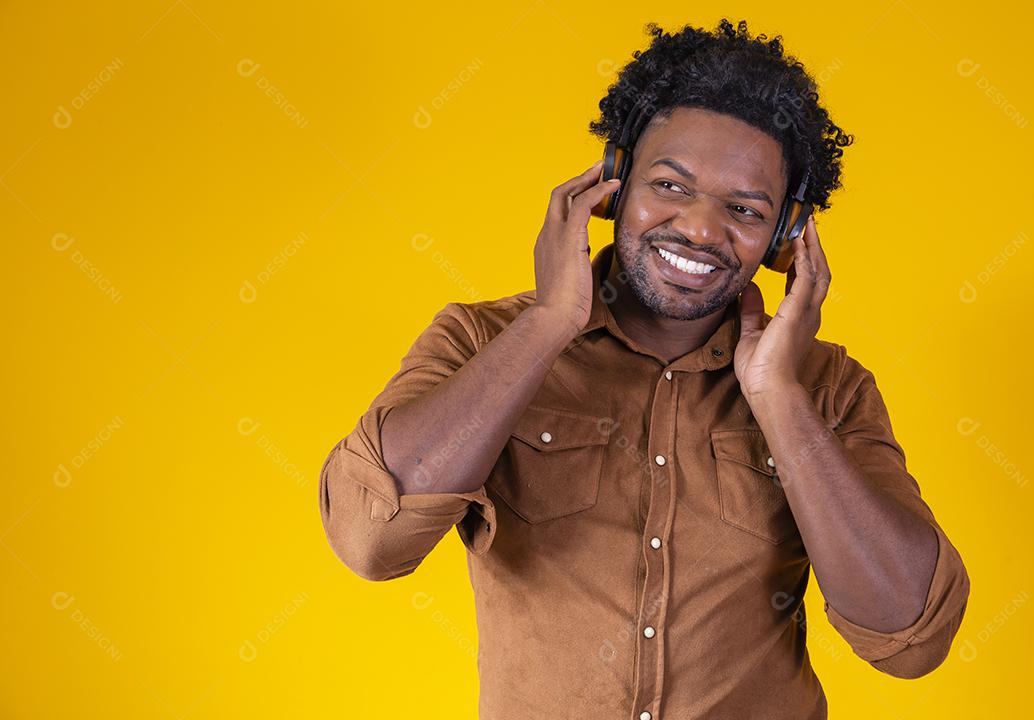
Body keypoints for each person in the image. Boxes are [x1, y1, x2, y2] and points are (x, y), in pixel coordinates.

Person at [318, 18, 970, 719]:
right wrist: (548, 323)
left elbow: (910, 639)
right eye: (670, 185)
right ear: (613, 184)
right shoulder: (480, 340)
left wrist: (777, 395)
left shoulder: (831, 389)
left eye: (744, 209)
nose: (699, 229)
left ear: (787, 238)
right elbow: (369, 539)